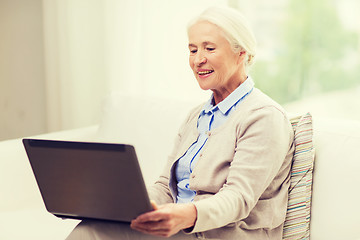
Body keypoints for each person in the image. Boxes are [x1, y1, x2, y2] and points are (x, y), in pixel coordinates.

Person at [66, 6, 294, 240]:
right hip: (179, 230)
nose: (198, 60)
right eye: (193, 49)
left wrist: (186, 215)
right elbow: (166, 186)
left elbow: (238, 198)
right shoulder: (197, 116)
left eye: (209, 48)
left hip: (221, 234)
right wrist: (132, 208)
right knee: (90, 227)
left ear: (241, 53)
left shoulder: (264, 116)